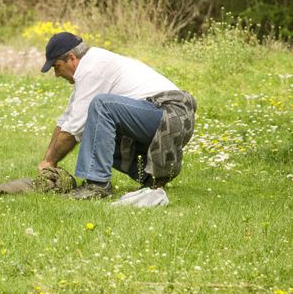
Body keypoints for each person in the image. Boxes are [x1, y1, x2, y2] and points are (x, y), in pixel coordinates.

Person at [38, 32, 197, 200]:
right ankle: (151, 178)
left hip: (172, 114)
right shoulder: (87, 70)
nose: (56, 74)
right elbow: (66, 121)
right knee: (95, 128)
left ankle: (97, 184)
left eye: (56, 67)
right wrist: (48, 161)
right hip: (161, 115)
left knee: (102, 105)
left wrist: (50, 162)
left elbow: (74, 128)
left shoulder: (93, 68)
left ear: (71, 58)